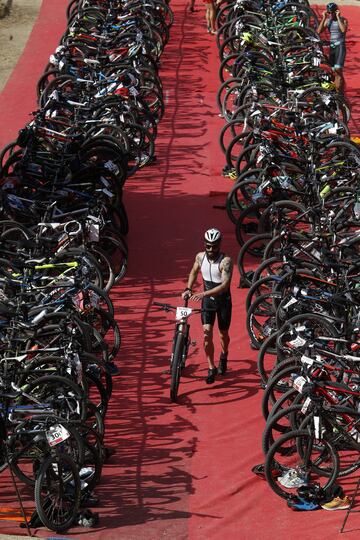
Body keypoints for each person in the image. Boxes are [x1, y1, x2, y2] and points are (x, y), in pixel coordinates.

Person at [181, 228, 233, 384]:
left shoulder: (226, 261)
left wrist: (204, 293)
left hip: (223, 302)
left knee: (223, 334)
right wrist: (188, 288)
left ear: (219, 244)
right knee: (206, 335)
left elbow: (225, 285)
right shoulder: (199, 257)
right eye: (208, 246)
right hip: (208, 302)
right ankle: (211, 367)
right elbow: (193, 271)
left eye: (214, 246)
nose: (211, 249)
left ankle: (223, 355)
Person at [317, 3, 348, 93]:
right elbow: (319, 31)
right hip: (332, 47)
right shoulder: (328, 21)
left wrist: (338, 17)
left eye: (333, 12)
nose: (332, 14)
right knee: (334, 71)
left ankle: (340, 93)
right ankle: (338, 91)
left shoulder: (343, 20)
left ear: (337, 11)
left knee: (338, 70)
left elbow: (343, 30)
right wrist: (323, 18)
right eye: (330, 13)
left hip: (340, 46)